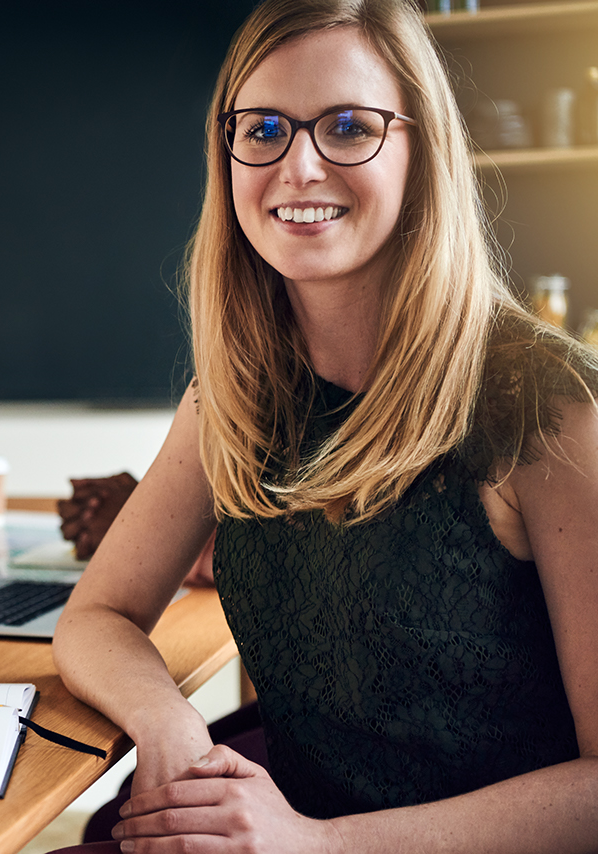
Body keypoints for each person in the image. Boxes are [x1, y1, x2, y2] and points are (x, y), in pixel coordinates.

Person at [51, 1, 598, 851]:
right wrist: (171, 726)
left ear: (424, 151)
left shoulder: (546, 403)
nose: (299, 166)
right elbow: (97, 617)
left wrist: (318, 846)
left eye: (349, 126)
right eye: (262, 128)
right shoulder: (232, 397)